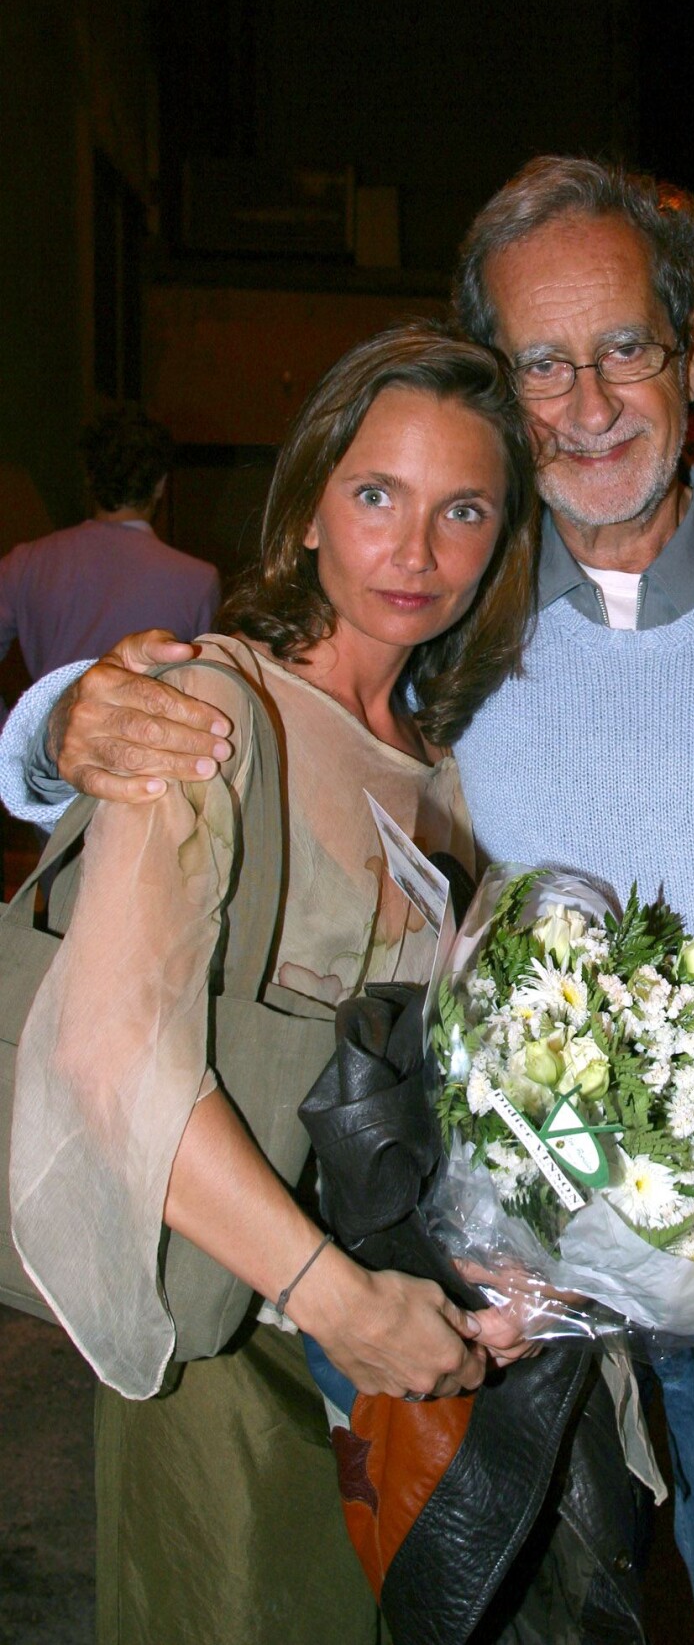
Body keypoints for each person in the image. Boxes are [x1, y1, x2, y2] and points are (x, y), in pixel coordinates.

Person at [2, 159, 694, 1645]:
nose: (588, 402)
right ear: (498, 381)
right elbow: (257, 709)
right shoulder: (465, 620)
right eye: (540, 360)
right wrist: (60, 718)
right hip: (488, 1309)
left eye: (626, 348)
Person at [8, 326, 565, 1645]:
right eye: (377, 494)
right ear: (311, 501)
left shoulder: (450, 775)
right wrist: (335, 1295)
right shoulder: (210, 705)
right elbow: (105, 1049)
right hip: (236, 1338)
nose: (415, 551)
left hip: (396, 1356)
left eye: (463, 509)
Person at [0, 407, 220, 688]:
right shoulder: (198, 580)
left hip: (51, 728)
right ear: (160, 484)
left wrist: (13, 727)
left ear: (90, 477)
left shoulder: (25, 563)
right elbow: (206, 686)